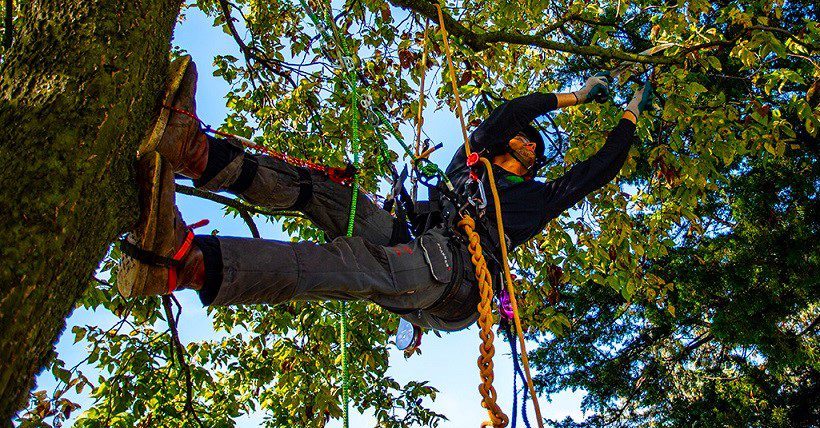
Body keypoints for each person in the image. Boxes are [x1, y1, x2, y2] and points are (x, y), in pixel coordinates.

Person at [118, 55, 654, 331]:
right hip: (413, 236)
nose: (516, 136)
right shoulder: (466, 169)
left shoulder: (532, 200)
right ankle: (197, 155)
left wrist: (629, 115)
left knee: (349, 265)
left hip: (456, 277)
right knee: (323, 194)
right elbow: (508, 112)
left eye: (526, 141)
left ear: (530, 155)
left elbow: (597, 170)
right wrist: (574, 98)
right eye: (518, 134)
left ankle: (183, 265)